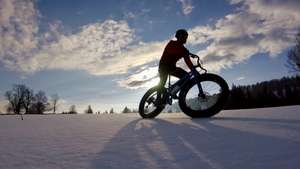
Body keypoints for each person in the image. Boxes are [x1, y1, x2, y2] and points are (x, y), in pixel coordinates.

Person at [157, 29, 197, 102]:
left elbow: (187, 61)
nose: (185, 38)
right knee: (162, 82)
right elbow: (172, 51)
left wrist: (193, 69)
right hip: (163, 66)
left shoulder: (183, 49)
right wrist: (184, 52)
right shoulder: (171, 43)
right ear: (178, 37)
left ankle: (173, 91)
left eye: (186, 37)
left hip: (172, 67)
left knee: (186, 76)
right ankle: (158, 99)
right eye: (183, 36)